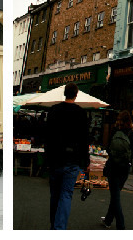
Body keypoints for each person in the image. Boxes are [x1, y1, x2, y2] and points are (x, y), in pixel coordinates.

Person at [45, 83, 90, 230]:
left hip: (55, 159)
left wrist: (47, 158)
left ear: (64, 93)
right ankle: (59, 228)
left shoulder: (54, 111)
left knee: (55, 194)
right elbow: (84, 140)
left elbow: (48, 137)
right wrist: (86, 161)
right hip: (72, 159)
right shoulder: (81, 113)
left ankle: (54, 225)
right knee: (66, 195)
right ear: (76, 94)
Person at [100, 111, 132, 229]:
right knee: (116, 195)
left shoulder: (115, 131)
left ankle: (120, 225)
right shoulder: (131, 133)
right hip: (125, 168)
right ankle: (108, 220)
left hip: (114, 167)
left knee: (115, 197)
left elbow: (109, 149)